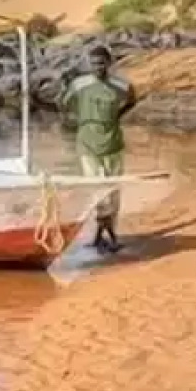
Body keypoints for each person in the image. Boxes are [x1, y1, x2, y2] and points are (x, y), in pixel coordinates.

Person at [58, 44, 137, 253]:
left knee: (113, 192)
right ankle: (109, 237)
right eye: (93, 64)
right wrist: (80, 121)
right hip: (87, 145)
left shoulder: (121, 86)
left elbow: (132, 100)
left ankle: (101, 235)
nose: (97, 67)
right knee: (97, 191)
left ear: (109, 64)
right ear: (89, 64)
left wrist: (116, 116)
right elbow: (63, 105)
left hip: (113, 144)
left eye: (101, 63)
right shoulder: (78, 85)